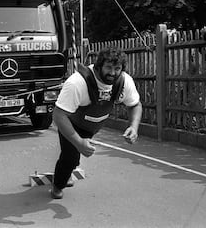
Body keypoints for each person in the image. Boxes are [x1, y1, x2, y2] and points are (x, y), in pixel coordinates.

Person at [51, 47, 142, 199]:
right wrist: (79, 142)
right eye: (108, 68)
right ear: (99, 66)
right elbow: (59, 115)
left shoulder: (124, 82)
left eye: (117, 69)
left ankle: (68, 171)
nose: (112, 73)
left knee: (75, 158)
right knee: (70, 157)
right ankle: (57, 186)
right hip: (70, 123)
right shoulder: (77, 83)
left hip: (91, 126)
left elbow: (135, 105)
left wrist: (134, 127)